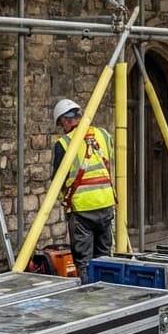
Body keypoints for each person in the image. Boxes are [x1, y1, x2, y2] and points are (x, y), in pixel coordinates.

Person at [51, 98, 116, 282]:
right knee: (104, 257)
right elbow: (109, 159)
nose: (62, 128)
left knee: (84, 261)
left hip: (82, 210)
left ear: (65, 120)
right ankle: (108, 290)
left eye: (61, 124)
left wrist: (64, 199)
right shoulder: (103, 135)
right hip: (106, 204)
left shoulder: (63, 143)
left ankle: (89, 293)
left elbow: (58, 180)